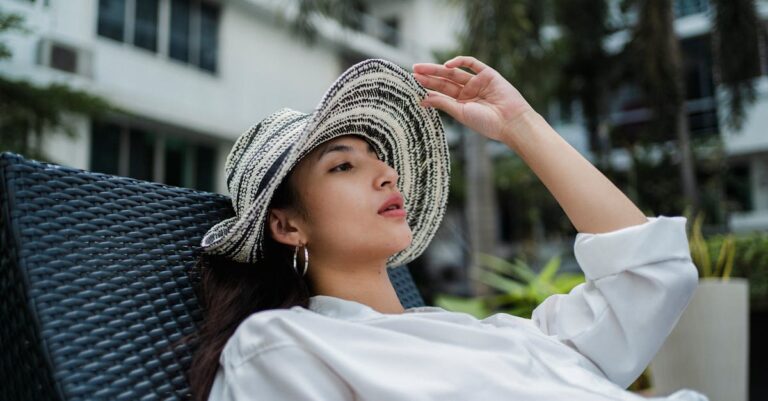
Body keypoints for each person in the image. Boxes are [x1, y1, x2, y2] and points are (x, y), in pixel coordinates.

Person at [188, 56, 708, 401]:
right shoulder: (283, 344)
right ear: (286, 225)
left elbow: (648, 276)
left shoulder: (498, 337)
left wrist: (521, 125)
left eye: (379, 157)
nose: (386, 173)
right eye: (342, 165)